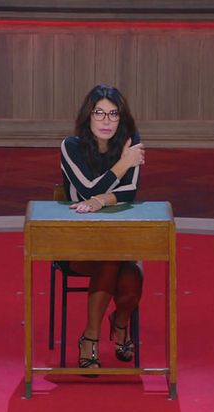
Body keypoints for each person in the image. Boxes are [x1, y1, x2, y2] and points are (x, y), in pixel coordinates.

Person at [59, 84, 146, 371]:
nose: (106, 120)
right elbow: (86, 189)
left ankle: (119, 323)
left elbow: (129, 192)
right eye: (99, 113)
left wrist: (100, 201)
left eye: (113, 114)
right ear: (88, 116)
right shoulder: (71, 146)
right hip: (76, 243)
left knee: (131, 279)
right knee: (110, 261)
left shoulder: (131, 142)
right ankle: (91, 337)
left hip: (119, 238)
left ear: (122, 118)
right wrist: (123, 163)